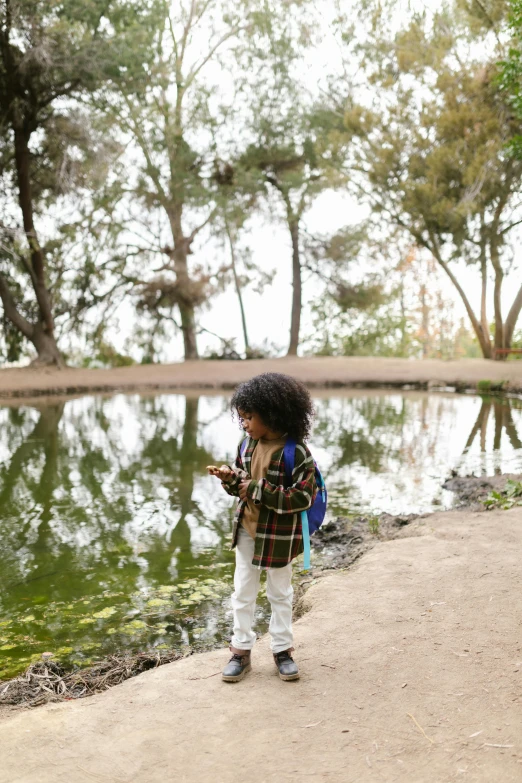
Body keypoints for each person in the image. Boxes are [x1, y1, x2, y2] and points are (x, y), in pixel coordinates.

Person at [207, 372, 316, 683]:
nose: (244, 424)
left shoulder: (296, 453)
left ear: (272, 414)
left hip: (280, 537)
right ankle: (241, 651)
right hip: (248, 529)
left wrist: (258, 491)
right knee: (243, 590)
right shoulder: (247, 445)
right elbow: (243, 483)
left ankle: (282, 650)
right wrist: (231, 479)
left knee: (280, 592)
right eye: (242, 418)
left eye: (249, 417)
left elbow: (303, 497)